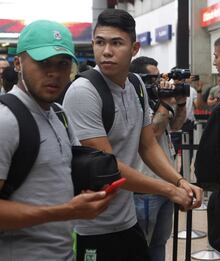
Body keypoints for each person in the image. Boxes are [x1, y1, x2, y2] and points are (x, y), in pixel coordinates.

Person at [63, 9, 202, 261]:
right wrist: (168, 190)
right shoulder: (83, 92)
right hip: (91, 227)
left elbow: (147, 144)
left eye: (116, 43)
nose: (106, 51)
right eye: (100, 42)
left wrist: (179, 181)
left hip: (126, 220)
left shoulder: (136, 85)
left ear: (134, 47)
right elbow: (107, 166)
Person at [0, 20, 114, 261]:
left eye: (63, 64)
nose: (55, 73)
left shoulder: (59, 114)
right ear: (18, 63)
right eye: (43, 63)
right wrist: (65, 211)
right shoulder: (6, 120)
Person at [130, 56, 187, 261]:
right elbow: (152, 133)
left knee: (159, 243)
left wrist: (179, 103)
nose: (159, 83)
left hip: (166, 185)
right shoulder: (135, 103)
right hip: (146, 189)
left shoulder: (156, 101)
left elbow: (176, 126)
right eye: (153, 78)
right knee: (142, 246)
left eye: (159, 77)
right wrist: (164, 102)